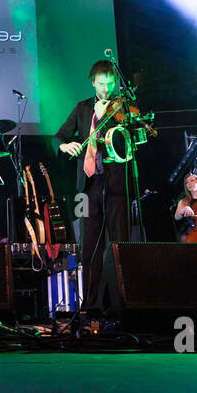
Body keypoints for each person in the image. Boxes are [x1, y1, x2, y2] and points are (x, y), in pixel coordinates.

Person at [54, 59, 129, 316]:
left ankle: (121, 304)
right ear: (92, 82)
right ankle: (92, 305)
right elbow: (60, 136)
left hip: (116, 183)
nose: (106, 89)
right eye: (101, 83)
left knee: (119, 242)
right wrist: (66, 146)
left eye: (110, 84)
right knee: (90, 246)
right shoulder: (83, 107)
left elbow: (131, 134)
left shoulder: (122, 107)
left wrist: (103, 114)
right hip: (87, 186)